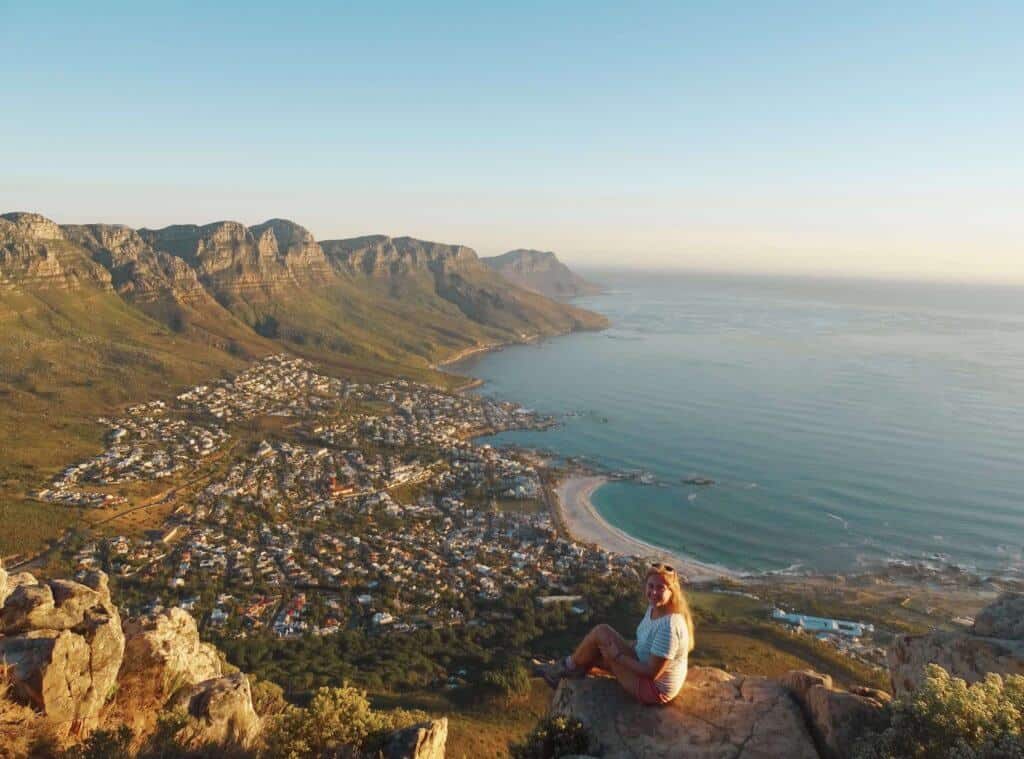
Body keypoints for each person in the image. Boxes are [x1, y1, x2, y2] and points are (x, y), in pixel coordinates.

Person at [538, 562, 694, 705]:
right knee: (597, 646)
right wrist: (619, 652)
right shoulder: (655, 608)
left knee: (600, 637)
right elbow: (643, 645)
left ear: (672, 591)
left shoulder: (669, 626)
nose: (654, 592)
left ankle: (565, 669)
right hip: (641, 663)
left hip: (653, 690)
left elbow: (651, 673)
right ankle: (570, 668)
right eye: (651, 586)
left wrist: (618, 657)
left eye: (660, 588)